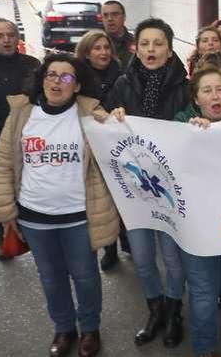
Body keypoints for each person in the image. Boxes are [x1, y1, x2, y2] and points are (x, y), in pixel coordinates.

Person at [0, 53, 119, 357]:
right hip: (35, 217)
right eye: (51, 75)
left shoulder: (91, 114)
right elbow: (3, 163)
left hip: (78, 216)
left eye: (66, 77)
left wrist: (114, 122)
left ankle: (89, 329)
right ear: (42, 79)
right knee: (50, 277)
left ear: (76, 86)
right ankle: (64, 329)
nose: (56, 82)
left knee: (86, 276)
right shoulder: (22, 114)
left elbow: (117, 150)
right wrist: (5, 209)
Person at [107, 18, 190, 348]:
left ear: (169, 50)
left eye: (158, 44)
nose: (151, 49)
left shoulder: (185, 87)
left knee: (172, 259)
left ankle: (174, 312)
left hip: (171, 188)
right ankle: (154, 310)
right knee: (142, 258)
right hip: (135, 186)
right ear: (136, 48)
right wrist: (108, 119)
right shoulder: (122, 84)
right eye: (145, 43)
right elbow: (108, 128)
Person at [174, 66, 221, 357]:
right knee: (204, 292)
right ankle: (205, 347)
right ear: (196, 99)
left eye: (220, 89)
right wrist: (190, 134)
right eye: (206, 90)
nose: (215, 95)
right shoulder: (180, 125)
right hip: (198, 227)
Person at [74, 31, 129, 271]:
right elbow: (59, 88)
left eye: (106, 47)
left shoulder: (122, 72)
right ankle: (109, 248)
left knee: (124, 192)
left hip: (116, 141)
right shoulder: (75, 75)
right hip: (88, 143)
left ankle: (128, 241)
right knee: (100, 198)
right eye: (97, 48)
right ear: (86, 52)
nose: (103, 52)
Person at [0, 17, 40, 261]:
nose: (6, 40)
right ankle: (2, 234)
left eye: (10, 34)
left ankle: (33, 234)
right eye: (0, 36)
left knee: (28, 189)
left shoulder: (33, 65)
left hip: (30, 140)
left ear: (18, 37)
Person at [100, 0, 136, 67]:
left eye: (115, 14)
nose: (110, 19)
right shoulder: (94, 45)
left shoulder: (137, 44)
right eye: (105, 15)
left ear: (124, 17)